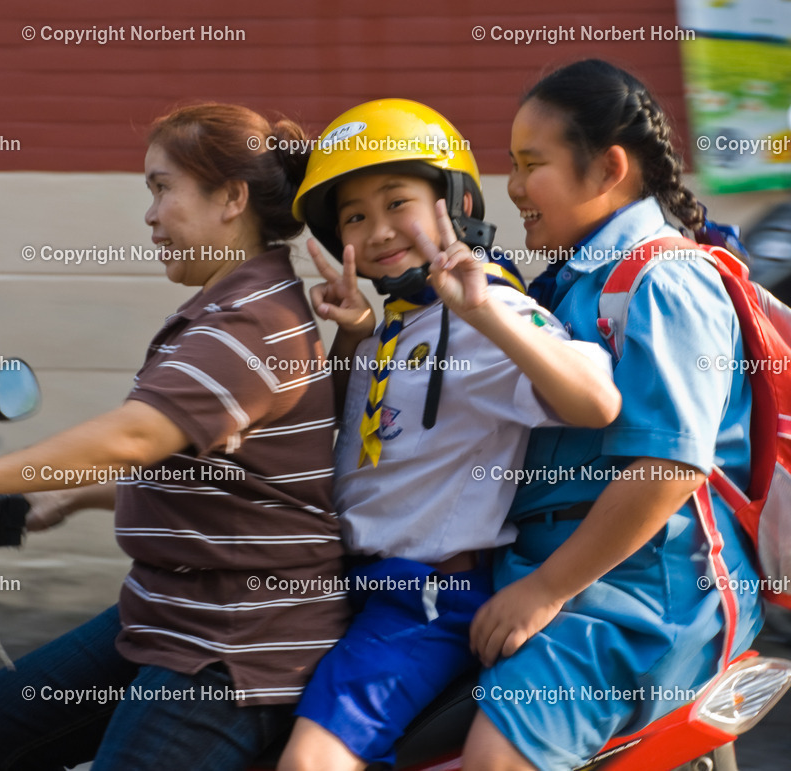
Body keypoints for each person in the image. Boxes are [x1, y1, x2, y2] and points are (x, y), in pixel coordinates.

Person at [0, 103, 350, 771]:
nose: (151, 215)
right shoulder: (231, 307)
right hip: (169, 613)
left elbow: (133, 434)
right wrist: (76, 498)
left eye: (163, 189)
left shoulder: (250, 328)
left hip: (234, 645)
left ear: (231, 198)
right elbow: (204, 463)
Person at [274, 99, 621, 771]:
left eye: (396, 201)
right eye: (354, 217)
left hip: (424, 600)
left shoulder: (488, 309)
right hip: (357, 585)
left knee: (311, 762)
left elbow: (598, 401)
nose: (377, 230)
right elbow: (357, 444)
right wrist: (351, 335)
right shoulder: (397, 325)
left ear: (455, 199)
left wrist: (486, 312)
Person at [462, 59, 765, 770]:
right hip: (558, 580)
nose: (512, 187)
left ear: (608, 170)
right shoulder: (570, 285)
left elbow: (670, 464)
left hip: (641, 600)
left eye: (530, 163)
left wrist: (545, 589)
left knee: (493, 759)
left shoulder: (666, 275)